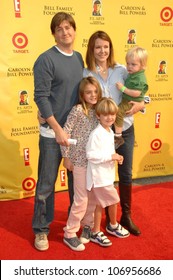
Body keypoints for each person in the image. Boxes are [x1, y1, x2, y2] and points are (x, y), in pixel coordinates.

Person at [83, 30, 145, 236]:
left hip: (124, 129)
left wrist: (142, 104)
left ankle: (125, 216)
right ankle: (93, 219)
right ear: (92, 49)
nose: (102, 51)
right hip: (100, 135)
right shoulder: (86, 73)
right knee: (101, 177)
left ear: (110, 48)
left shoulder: (122, 70)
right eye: (98, 47)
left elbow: (142, 90)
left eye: (106, 46)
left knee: (125, 173)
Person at [32, 12, 83, 251]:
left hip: (76, 134)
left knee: (77, 183)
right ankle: (41, 230)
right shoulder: (46, 59)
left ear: (74, 30)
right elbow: (41, 97)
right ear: (54, 33)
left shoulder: (79, 58)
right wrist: (57, 129)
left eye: (68, 27)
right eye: (60, 29)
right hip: (53, 135)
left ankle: (73, 226)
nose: (65, 32)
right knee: (46, 184)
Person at [61, 77, 102, 251]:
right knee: (81, 199)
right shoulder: (77, 110)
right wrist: (66, 156)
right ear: (82, 94)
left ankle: (87, 226)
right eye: (88, 92)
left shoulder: (100, 111)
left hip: (95, 163)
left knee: (92, 197)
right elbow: (65, 133)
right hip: (78, 161)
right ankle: (69, 233)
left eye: (95, 91)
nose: (92, 95)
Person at [86, 97, 130, 247]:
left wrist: (116, 158)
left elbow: (108, 153)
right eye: (105, 115)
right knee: (113, 201)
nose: (109, 117)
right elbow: (90, 155)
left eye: (112, 114)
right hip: (99, 177)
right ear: (98, 116)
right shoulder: (96, 134)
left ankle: (96, 231)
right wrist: (110, 157)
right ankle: (112, 225)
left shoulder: (109, 132)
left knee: (99, 204)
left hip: (106, 176)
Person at [115, 46, 148, 148]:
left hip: (130, 101)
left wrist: (123, 89)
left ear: (142, 65)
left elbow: (138, 93)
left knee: (119, 112)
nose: (129, 66)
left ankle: (118, 136)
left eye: (133, 64)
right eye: (128, 63)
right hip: (128, 100)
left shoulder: (139, 78)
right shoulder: (132, 73)